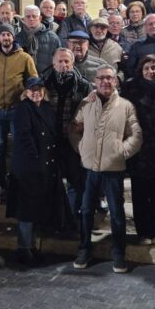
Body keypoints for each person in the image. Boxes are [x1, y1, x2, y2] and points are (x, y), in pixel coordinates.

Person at [71, 65, 142, 272]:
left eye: (109, 78)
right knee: (86, 210)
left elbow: (136, 135)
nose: (105, 81)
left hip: (113, 169)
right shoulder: (86, 103)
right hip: (89, 168)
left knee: (117, 213)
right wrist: (81, 148)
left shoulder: (126, 106)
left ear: (115, 81)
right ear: (95, 81)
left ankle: (118, 253)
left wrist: (121, 152)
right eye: (101, 78)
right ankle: (84, 249)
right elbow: (74, 128)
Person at [7, 77, 66, 266]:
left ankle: (31, 247)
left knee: (35, 210)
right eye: (32, 89)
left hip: (44, 167)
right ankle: (24, 248)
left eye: (39, 89)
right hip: (29, 168)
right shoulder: (23, 109)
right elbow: (24, 137)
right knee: (26, 210)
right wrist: (37, 160)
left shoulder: (46, 108)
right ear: (26, 92)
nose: (36, 92)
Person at [0, 24, 38, 202]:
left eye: (8, 34)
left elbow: (34, 81)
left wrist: (26, 98)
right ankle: (0, 186)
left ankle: (17, 186)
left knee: (18, 149)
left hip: (17, 110)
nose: (6, 38)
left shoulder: (25, 57)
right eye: (3, 35)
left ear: (13, 37)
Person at [121, 54, 155, 246]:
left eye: (154, 67)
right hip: (138, 149)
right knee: (139, 192)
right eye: (147, 68)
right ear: (141, 70)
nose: (151, 71)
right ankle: (143, 232)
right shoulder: (130, 88)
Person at [41, 48, 93, 229]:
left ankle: (71, 219)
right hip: (50, 140)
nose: (63, 65)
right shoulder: (44, 84)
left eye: (66, 61)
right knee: (50, 181)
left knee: (75, 180)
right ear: (53, 63)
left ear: (72, 63)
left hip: (73, 141)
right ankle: (52, 219)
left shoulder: (83, 85)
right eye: (60, 61)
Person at [16, 4, 61, 75]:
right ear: (24, 19)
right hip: (24, 79)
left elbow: (59, 60)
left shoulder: (53, 38)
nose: (31, 19)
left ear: (40, 18)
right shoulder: (17, 38)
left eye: (34, 16)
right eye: (28, 16)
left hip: (47, 79)